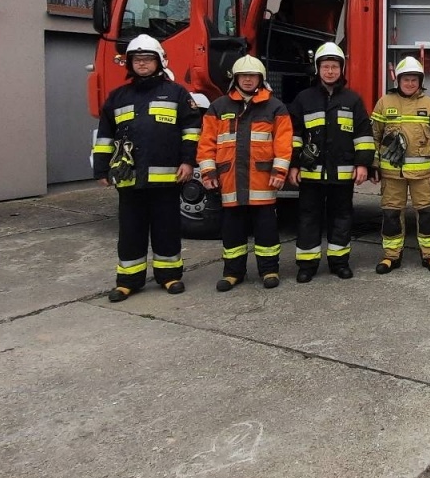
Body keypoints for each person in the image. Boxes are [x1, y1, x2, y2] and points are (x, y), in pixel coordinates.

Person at [92, 35, 203, 302]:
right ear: (129, 64)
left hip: (166, 179)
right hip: (129, 179)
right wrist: (101, 170)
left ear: (159, 62)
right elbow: (105, 136)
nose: (142, 64)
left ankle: (169, 276)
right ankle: (128, 280)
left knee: (167, 228)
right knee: (131, 229)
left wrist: (188, 162)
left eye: (147, 59)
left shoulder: (176, 93)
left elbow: (191, 130)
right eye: (137, 60)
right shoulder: (117, 97)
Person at [196, 56, 292, 291]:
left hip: (263, 182)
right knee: (232, 232)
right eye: (243, 75)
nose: (248, 79)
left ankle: (269, 270)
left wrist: (280, 172)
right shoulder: (219, 107)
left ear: (261, 78)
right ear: (235, 78)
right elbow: (206, 142)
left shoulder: (274, 107)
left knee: (266, 232)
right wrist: (208, 172)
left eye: (253, 75)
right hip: (230, 182)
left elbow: (283, 142)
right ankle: (232, 273)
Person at [287, 42, 374, 282]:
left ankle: (339, 262)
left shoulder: (353, 99)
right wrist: (294, 164)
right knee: (308, 218)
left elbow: (363, 135)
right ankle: (307, 265)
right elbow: (294, 134)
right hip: (311, 174)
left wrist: (363, 164)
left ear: (341, 69)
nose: (330, 72)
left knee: (342, 217)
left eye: (334, 67)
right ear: (318, 69)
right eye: (325, 67)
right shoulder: (303, 99)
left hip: (342, 173)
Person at [371, 56, 430, 273]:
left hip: (423, 174)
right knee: (391, 215)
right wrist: (373, 164)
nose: (410, 83)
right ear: (398, 80)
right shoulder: (384, 103)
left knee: (426, 215)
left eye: (414, 79)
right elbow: (374, 136)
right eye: (406, 79)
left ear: (420, 81)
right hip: (391, 173)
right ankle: (391, 256)